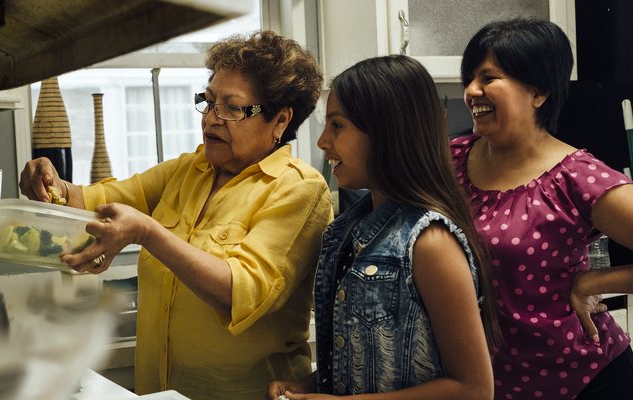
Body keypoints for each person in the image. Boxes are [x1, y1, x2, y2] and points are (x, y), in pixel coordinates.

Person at [19, 31, 333, 400]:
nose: (211, 119)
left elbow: (239, 292)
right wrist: (51, 182)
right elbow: (91, 200)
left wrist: (148, 233)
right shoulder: (189, 171)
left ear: (280, 120)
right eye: (209, 101)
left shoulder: (299, 189)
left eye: (232, 108)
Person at [268, 54, 499, 399]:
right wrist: (306, 385)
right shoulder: (344, 231)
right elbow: (363, 362)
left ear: (387, 131)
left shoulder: (430, 242)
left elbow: (474, 389)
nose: (322, 142)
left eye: (337, 126)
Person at [452, 18, 633, 399]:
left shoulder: (576, 178)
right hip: (490, 384)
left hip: (584, 381)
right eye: (469, 77)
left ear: (539, 92)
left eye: (488, 78)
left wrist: (593, 283)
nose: (471, 90)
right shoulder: (451, 159)